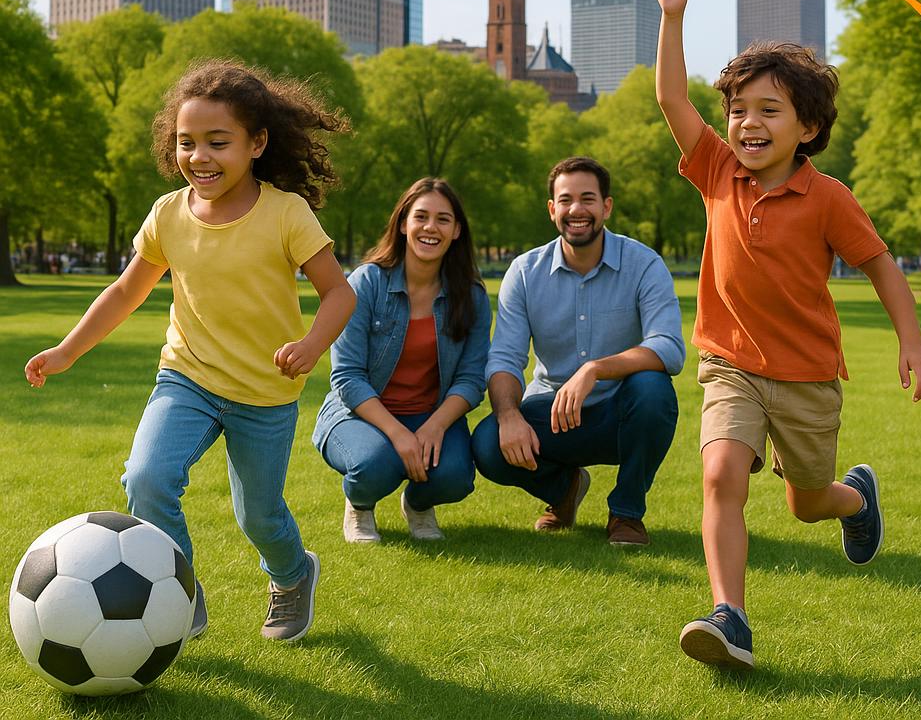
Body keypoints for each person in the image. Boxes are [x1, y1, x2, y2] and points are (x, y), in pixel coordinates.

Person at [655, 0, 921, 671]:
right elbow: (669, 99)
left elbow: (879, 263)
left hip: (808, 374)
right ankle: (732, 617)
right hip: (730, 364)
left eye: (769, 110)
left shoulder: (829, 198)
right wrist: (672, 17)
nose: (748, 122)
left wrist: (914, 342)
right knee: (720, 473)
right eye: (739, 109)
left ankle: (855, 499)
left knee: (806, 503)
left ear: (808, 127)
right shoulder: (718, 169)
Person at [24, 60, 356, 644]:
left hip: (264, 393)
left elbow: (338, 293)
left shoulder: (286, 213)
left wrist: (311, 343)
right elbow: (127, 289)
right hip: (187, 377)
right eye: (186, 143)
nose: (198, 156)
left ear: (256, 144)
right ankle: (176, 592)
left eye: (217, 143)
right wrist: (68, 351)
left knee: (259, 515)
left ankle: (293, 573)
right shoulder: (168, 214)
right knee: (147, 477)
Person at [471, 157, 685, 547]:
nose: (576, 210)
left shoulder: (644, 264)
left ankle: (626, 513)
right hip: (552, 415)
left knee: (654, 389)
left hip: (621, 413)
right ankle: (564, 490)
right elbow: (505, 358)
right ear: (553, 209)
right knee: (487, 445)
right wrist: (507, 415)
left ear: (606, 206)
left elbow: (668, 347)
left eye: (588, 199)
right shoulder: (523, 271)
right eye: (565, 200)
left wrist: (595, 369)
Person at [312, 178, 491, 542]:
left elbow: (472, 379)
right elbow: (346, 376)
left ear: (456, 231)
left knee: (456, 476)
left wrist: (435, 426)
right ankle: (359, 505)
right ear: (403, 223)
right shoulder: (367, 283)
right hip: (360, 413)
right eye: (421, 216)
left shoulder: (471, 296)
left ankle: (419, 504)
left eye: (443, 219)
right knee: (376, 464)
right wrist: (398, 435)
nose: (430, 227)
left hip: (430, 413)